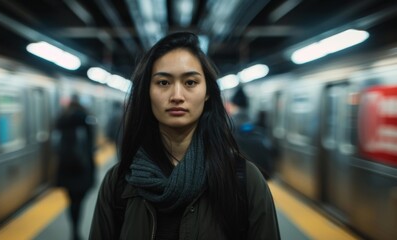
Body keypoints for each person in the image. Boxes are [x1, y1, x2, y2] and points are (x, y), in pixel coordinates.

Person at [89, 32, 280, 239]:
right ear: (147, 92)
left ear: (207, 92)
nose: (177, 96)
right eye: (163, 83)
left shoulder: (244, 181)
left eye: (190, 83)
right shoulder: (119, 184)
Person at [55, 94, 96, 240]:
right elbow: (91, 146)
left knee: (71, 200)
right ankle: (76, 231)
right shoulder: (85, 119)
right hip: (82, 168)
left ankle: (73, 229)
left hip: (66, 167)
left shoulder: (61, 120)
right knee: (79, 200)